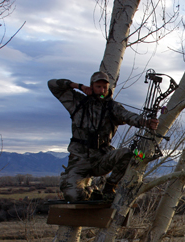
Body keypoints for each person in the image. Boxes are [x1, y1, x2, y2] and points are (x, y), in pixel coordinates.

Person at [48, 71, 159, 201]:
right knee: (73, 196)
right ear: (91, 87)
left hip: (101, 159)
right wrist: (79, 86)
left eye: (105, 87)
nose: (102, 90)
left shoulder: (113, 107)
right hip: (79, 161)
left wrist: (145, 122)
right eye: (98, 86)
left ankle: (109, 187)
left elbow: (128, 116)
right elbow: (52, 84)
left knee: (131, 153)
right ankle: (92, 191)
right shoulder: (77, 102)